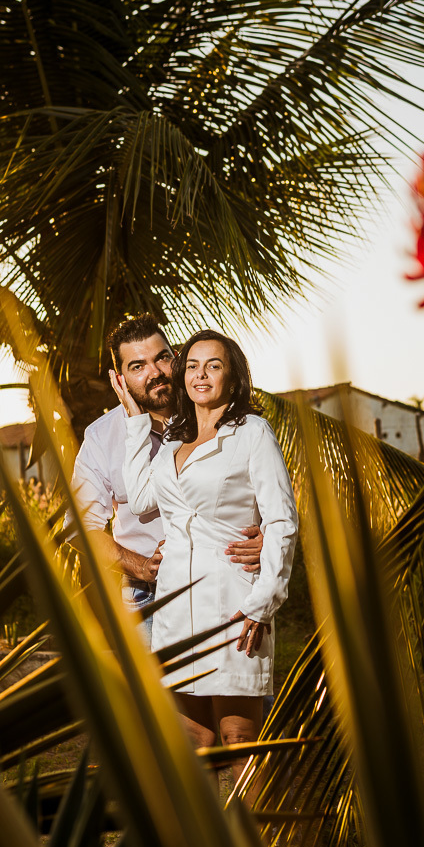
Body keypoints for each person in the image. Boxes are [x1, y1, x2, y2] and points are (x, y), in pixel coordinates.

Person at [112, 329, 298, 781]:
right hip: (176, 607)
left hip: (233, 602)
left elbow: (281, 521)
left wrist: (263, 602)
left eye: (213, 365)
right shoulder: (174, 439)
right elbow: (139, 499)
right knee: (191, 745)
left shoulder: (252, 433)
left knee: (240, 743)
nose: (201, 374)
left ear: (232, 376)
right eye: (192, 365)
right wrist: (135, 417)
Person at [67, 315, 264, 645]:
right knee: (159, 697)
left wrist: (265, 539)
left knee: (236, 692)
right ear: (119, 380)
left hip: (224, 582)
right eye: (137, 366)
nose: (155, 372)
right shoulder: (102, 437)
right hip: (147, 599)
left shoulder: (220, 416)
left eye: (162, 357)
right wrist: (142, 567)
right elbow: (79, 527)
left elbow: (268, 501)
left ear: (177, 358)